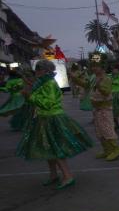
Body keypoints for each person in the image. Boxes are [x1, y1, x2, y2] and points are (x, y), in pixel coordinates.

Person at [16, 60, 92, 189]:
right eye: (37, 69)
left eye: (39, 69)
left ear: (45, 71)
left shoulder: (49, 83)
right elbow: (36, 100)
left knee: (55, 148)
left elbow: (48, 103)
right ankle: (53, 175)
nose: (37, 72)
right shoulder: (42, 83)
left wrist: (29, 95)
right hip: (43, 118)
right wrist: (28, 93)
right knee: (48, 149)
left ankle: (68, 176)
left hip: (52, 118)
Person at [72, 54, 119, 161]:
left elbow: (106, 92)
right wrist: (75, 79)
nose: (93, 68)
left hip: (105, 109)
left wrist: (99, 85)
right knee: (99, 131)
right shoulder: (94, 78)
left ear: (102, 67)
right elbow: (86, 85)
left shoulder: (107, 78)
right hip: (96, 109)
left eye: (96, 66)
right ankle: (107, 150)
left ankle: (117, 149)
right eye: (92, 66)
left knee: (107, 130)